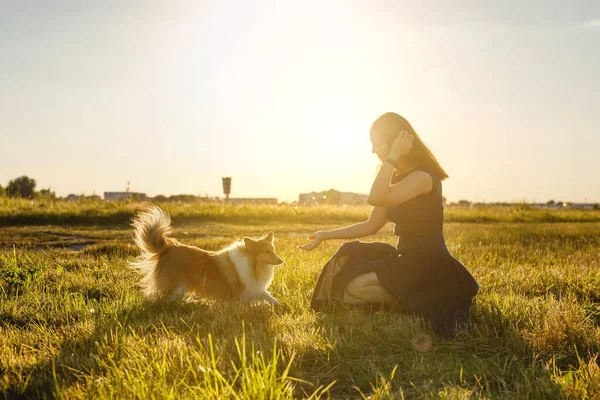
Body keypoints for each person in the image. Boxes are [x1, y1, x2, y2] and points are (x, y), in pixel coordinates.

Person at [299, 112, 479, 337]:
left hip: (428, 263)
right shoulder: (396, 178)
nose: (373, 151)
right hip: (405, 258)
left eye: (376, 144)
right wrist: (326, 234)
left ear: (396, 142)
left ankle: (422, 299)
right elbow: (370, 226)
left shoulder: (423, 177)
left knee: (355, 289)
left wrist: (392, 156)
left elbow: (375, 197)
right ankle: (413, 299)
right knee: (348, 268)